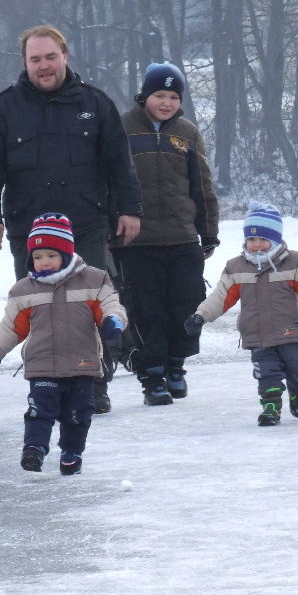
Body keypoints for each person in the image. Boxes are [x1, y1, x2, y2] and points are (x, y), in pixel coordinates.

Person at [0, 24, 142, 414]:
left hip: (85, 225)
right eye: (36, 59)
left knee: (89, 307)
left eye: (51, 57)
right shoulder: (3, 109)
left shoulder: (95, 104)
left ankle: (95, 384)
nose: (44, 66)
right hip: (28, 233)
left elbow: (120, 165)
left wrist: (130, 210)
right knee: (40, 310)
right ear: (25, 63)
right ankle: (47, 386)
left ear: (65, 56)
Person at [0, 213, 128, 475]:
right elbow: (12, 326)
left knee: (78, 414)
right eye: (37, 257)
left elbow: (110, 305)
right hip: (42, 365)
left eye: (50, 255)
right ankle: (34, 450)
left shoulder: (94, 280)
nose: (43, 263)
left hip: (82, 364)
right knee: (39, 411)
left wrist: (113, 321)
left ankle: (71, 453)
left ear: (67, 253)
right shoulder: (24, 291)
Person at [112, 62, 221, 406]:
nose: (166, 102)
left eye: (173, 96)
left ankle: (176, 366)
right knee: (147, 310)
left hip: (182, 236)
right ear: (145, 95)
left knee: (185, 305)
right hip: (137, 242)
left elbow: (202, 184)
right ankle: (152, 376)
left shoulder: (187, 132)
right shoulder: (122, 128)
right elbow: (110, 181)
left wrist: (208, 231)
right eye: (159, 94)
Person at [183, 202, 298, 426]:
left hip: (290, 331)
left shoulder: (293, 263)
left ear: (274, 240)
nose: (256, 245)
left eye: (262, 240)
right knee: (267, 375)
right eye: (251, 240)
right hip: (258, 335)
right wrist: (201, 316)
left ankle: (297, 391)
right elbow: (221, 296)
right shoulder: (237, 268)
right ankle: (271, 408)